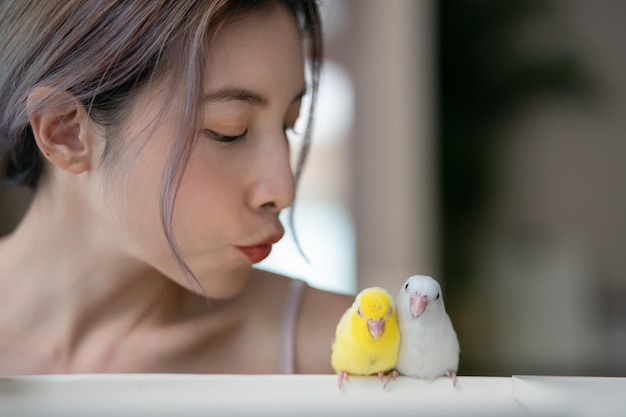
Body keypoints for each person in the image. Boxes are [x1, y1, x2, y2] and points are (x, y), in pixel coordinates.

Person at [0, 0, 352, 375]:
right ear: (64, 132)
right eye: (229, 131)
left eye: (288, 124)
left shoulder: (346, 352)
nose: (283, 190)